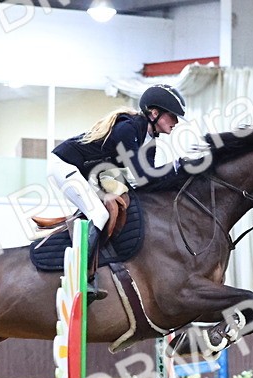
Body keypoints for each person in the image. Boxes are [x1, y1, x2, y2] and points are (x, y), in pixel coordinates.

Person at [48, 84, 187, 301]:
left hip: (90, 171)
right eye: (172, 116)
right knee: (100, 214)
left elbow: (147, 184)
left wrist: (180, 175)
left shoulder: (150, 139)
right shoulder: (128, 130)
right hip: (65, 165)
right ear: (154, 113)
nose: (176, 122)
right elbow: (143, 175)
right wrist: (178, 167)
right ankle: (80, 277)